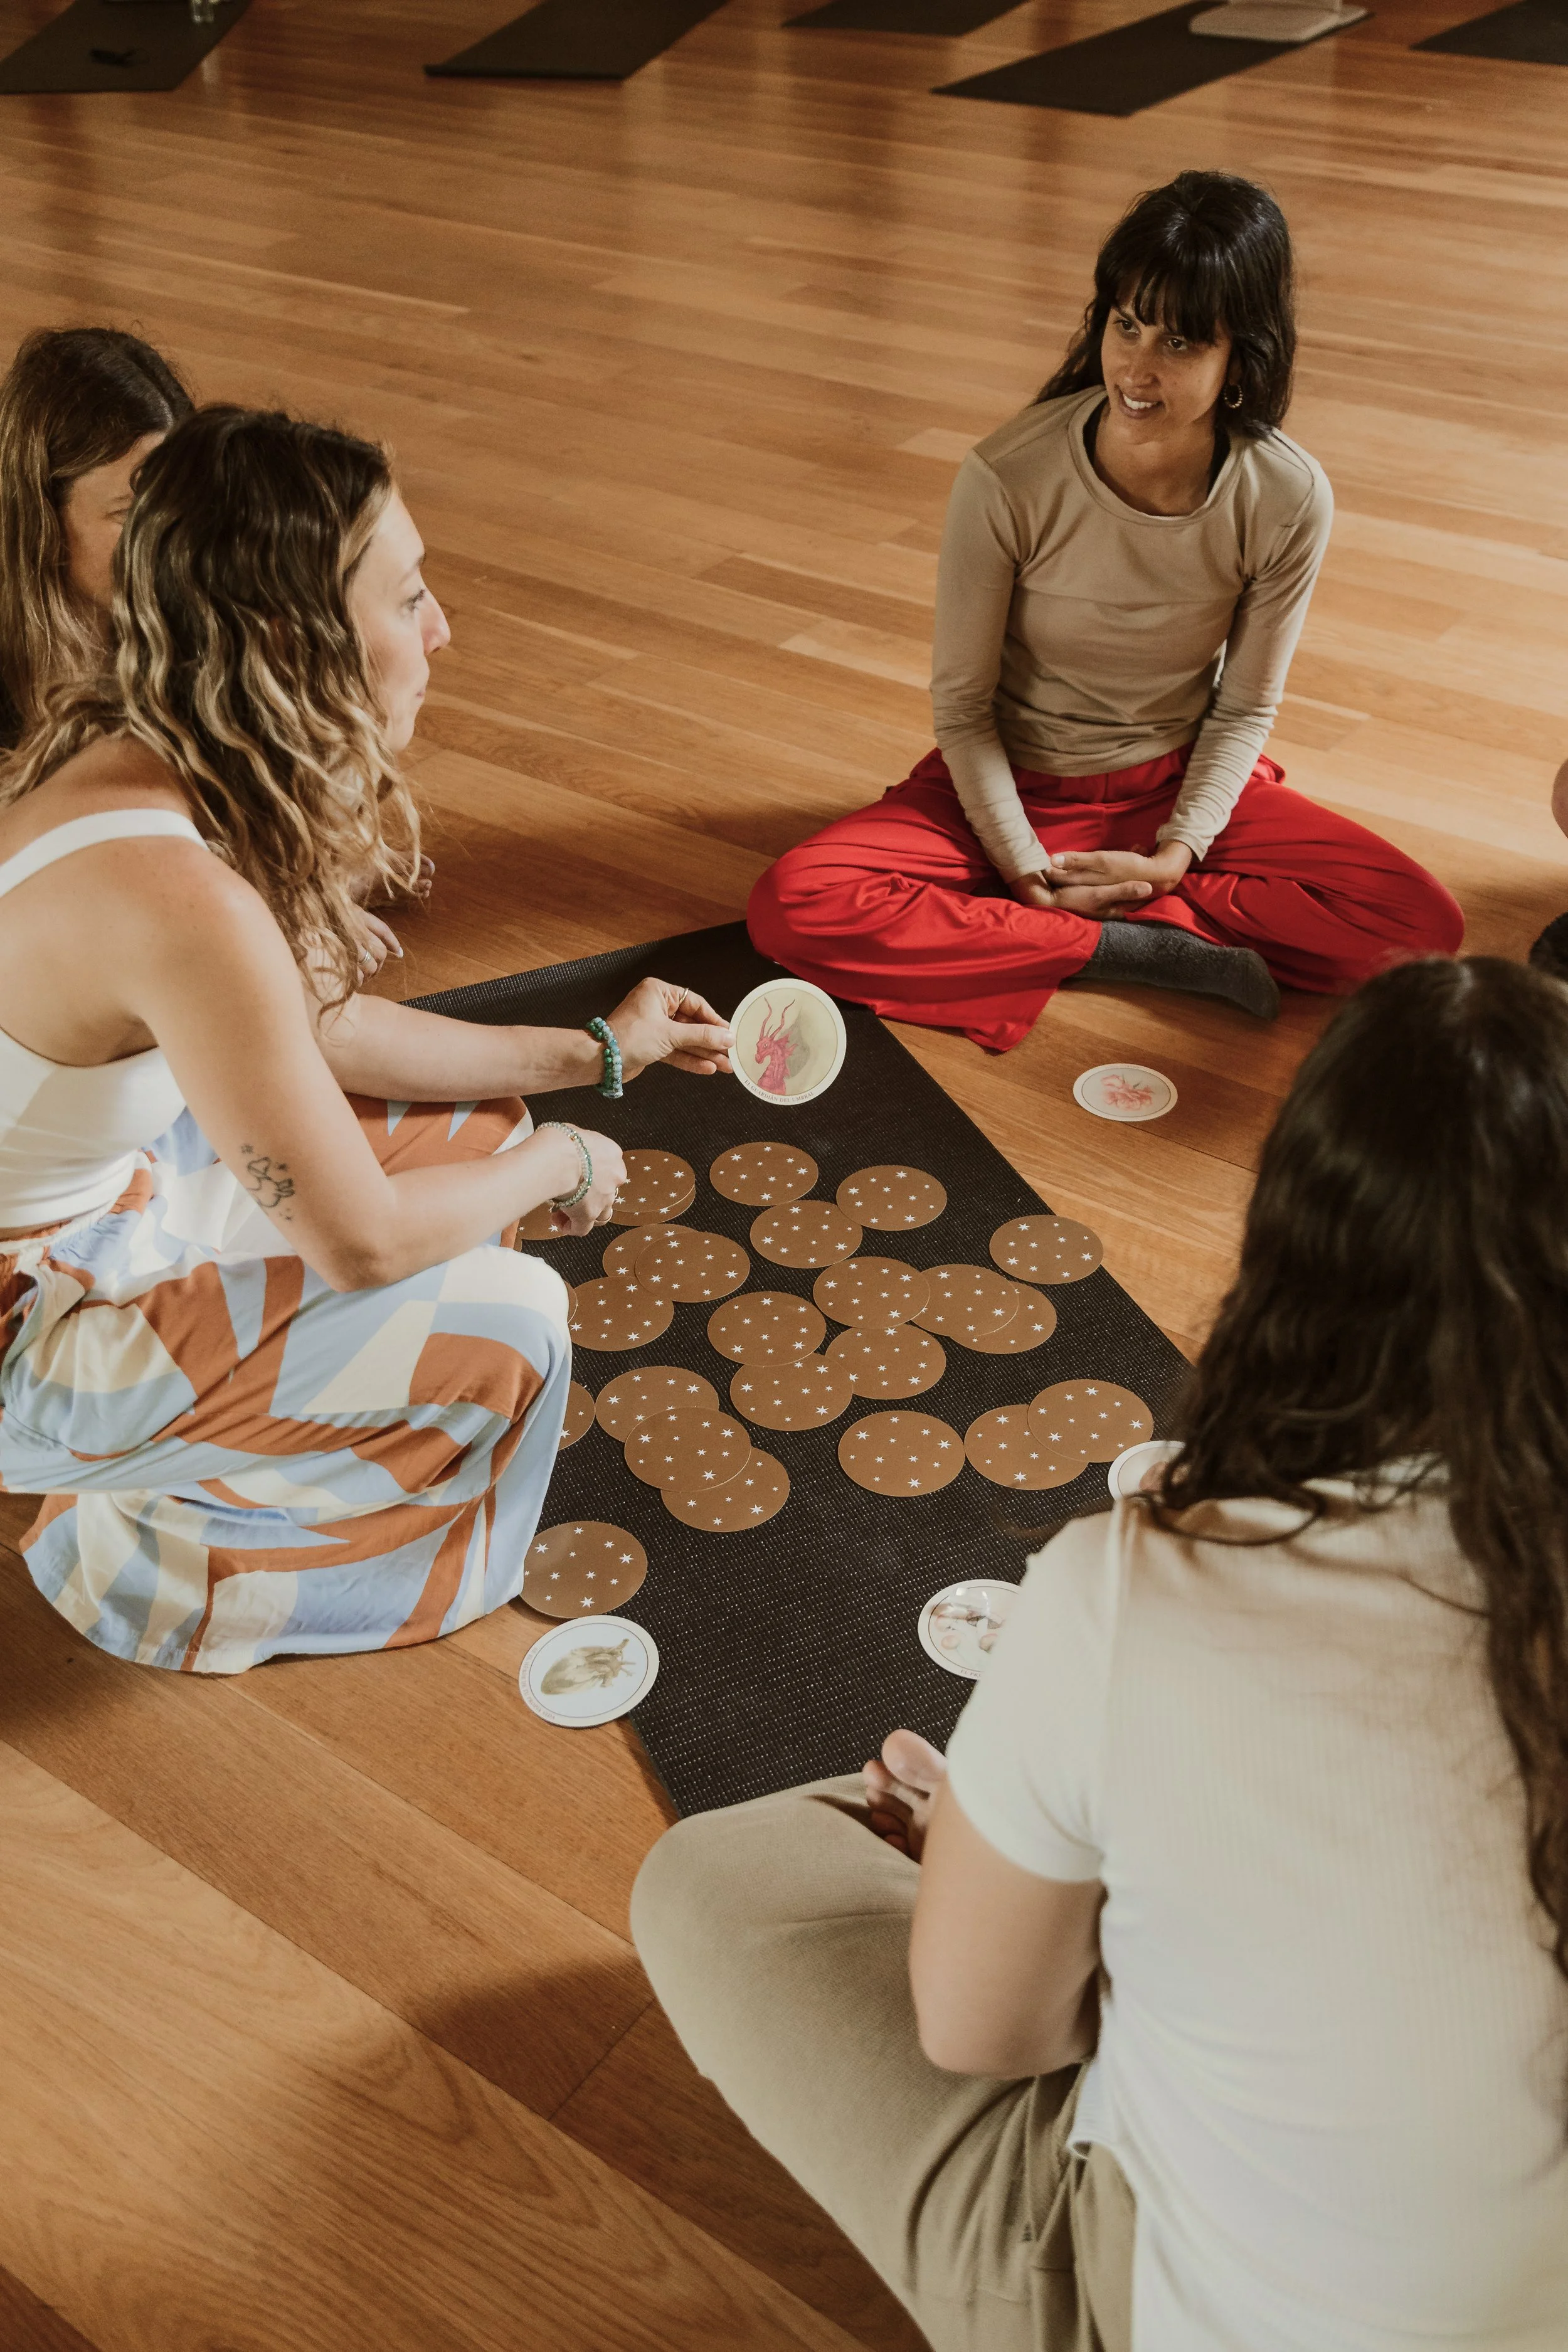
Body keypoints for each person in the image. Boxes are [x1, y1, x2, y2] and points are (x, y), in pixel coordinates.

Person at [633, 955, 1568, 2352]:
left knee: (709, 1881)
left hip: (1196, 2306)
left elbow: (988, 2037)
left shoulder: (1134, 1588)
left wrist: (999, 1860)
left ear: (1291, 1245)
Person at [0, 404, 733, 1674]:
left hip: (94, 1207)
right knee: (510, 1321)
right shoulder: (182, 903)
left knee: (462, 1136)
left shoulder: (135, 750)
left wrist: (597, 1054)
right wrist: (560, 1158)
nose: (440, 628)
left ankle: (176, 1452)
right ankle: (154, 1570)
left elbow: (320, 1031)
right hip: (28, 1333)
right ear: (294, 638)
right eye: (407, 598)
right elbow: (360, 1245)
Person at [748, 174, 1464, 1052]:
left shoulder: (1286, 495)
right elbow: (965, 709)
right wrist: (1020, 863)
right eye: (1126, 324)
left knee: (1422, 927)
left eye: (1182, 341)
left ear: (1244, 353)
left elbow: (1243, 708)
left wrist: (1175, 854)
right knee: (793, 905)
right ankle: (1123, 944)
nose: (1137, 366)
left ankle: (1115, 912)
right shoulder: (1007, 475)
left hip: (1175, 781)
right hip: (1014, 783)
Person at [0, 325, 194, 750]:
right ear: (43, 518)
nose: (166, 542)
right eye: (128, 514)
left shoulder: (196, 626)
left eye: (174, 506)